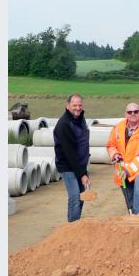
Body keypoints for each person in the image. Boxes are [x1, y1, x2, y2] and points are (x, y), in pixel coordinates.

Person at [106, 103, 139, 215]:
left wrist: (128, 171)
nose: (133, 114)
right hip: (122, 168)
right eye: (130, 112)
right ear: (126, 114)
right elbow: (111, 145)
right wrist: (115, 154)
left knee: (138, 181)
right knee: (129, 199)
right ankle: (133, 214)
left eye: (136, 111)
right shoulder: (118, 128)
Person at [53, 94, 91, 222]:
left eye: (80, 105)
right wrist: (82, 174)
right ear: (67, 105)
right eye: (75, 105)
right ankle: (72, 226)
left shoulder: (81, 119)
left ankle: (76, 223)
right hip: (67, 165)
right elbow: (69, 153)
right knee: (75, 196)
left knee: (81, 195)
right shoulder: (64, 124)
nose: (78, 108)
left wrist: (83, 170)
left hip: (79, 163)